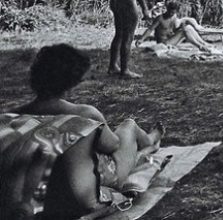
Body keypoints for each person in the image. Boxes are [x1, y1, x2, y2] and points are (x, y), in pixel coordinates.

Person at [7, 44, 164, 219]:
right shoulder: (85, 114)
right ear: (73, 81)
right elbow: (113, 145)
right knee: (128, 127)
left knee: (77, 146)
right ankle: (149, 143)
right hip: (79, 203)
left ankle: (147, 144)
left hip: (36, 203)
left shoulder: (11, 116)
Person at [137, 0, 215, 53]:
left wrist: (181, 27)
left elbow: (175, 30)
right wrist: (141, 39)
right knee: (185, 30)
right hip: (163, 43)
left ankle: (204, 43)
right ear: (167, 9)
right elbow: (150, 29)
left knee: (188, 27)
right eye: (170, 12)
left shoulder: (174, 17)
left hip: (171, 41)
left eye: (173, 12)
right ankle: (200, 47)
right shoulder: (160, 18)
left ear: (175, 11)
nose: (171, 14)